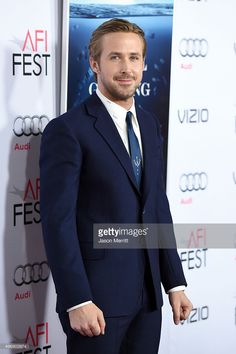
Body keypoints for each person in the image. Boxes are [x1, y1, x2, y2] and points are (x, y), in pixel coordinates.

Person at [40, 18, 192, 354]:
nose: (127, 68)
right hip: (97, 302)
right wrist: (77, 298)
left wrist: (174, 283)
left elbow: (156, 207)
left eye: (134, 58)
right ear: (94, 63)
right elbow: (57, 222)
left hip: (149, 301)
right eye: (115, 57)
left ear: (144, 64)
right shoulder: (68, 130)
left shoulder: (150, 125)